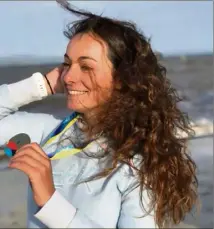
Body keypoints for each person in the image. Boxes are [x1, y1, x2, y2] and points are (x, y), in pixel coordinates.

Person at [0, 1, 198, 228]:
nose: (68, 77)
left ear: (123, 80)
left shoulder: (137, 165)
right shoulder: (50, 134)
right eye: (67, 64)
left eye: (86, 67)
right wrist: (41, 85)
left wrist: (50, 202)